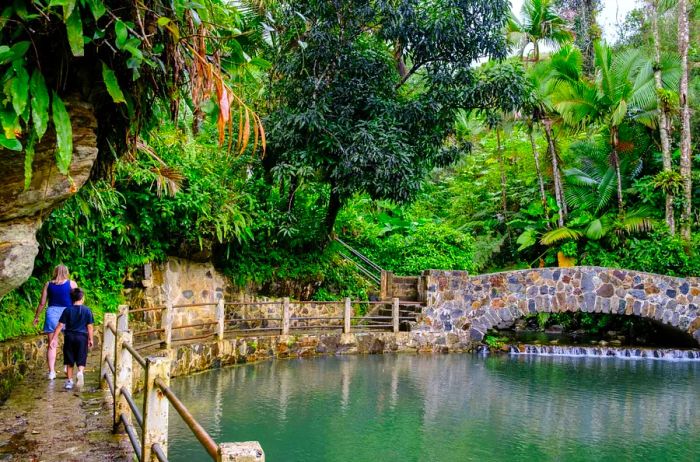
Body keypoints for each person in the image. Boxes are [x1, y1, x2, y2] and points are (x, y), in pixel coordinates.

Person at [33, 264, 77, 380]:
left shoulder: (48, 284)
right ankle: (66, 366)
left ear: (55, 272)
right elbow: (77, 300)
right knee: (69, 342)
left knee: (52, 344)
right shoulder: (72, 284)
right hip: (68, 313)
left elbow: (42, 303)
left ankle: (52, 372)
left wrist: (36, 316)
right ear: (66, 272)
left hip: (52, 313)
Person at [51, 288, 94, 390]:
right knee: (81, 357)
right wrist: (91, 339)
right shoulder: (87, 310)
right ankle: (80, 372)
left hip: (69, 337)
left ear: (72, 299)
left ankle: (70, 381)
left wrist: (54, 338)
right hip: (82, 337)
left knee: (69, 360)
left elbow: (60, 325)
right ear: (82, 298)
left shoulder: (67, 310)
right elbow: (90, 327)